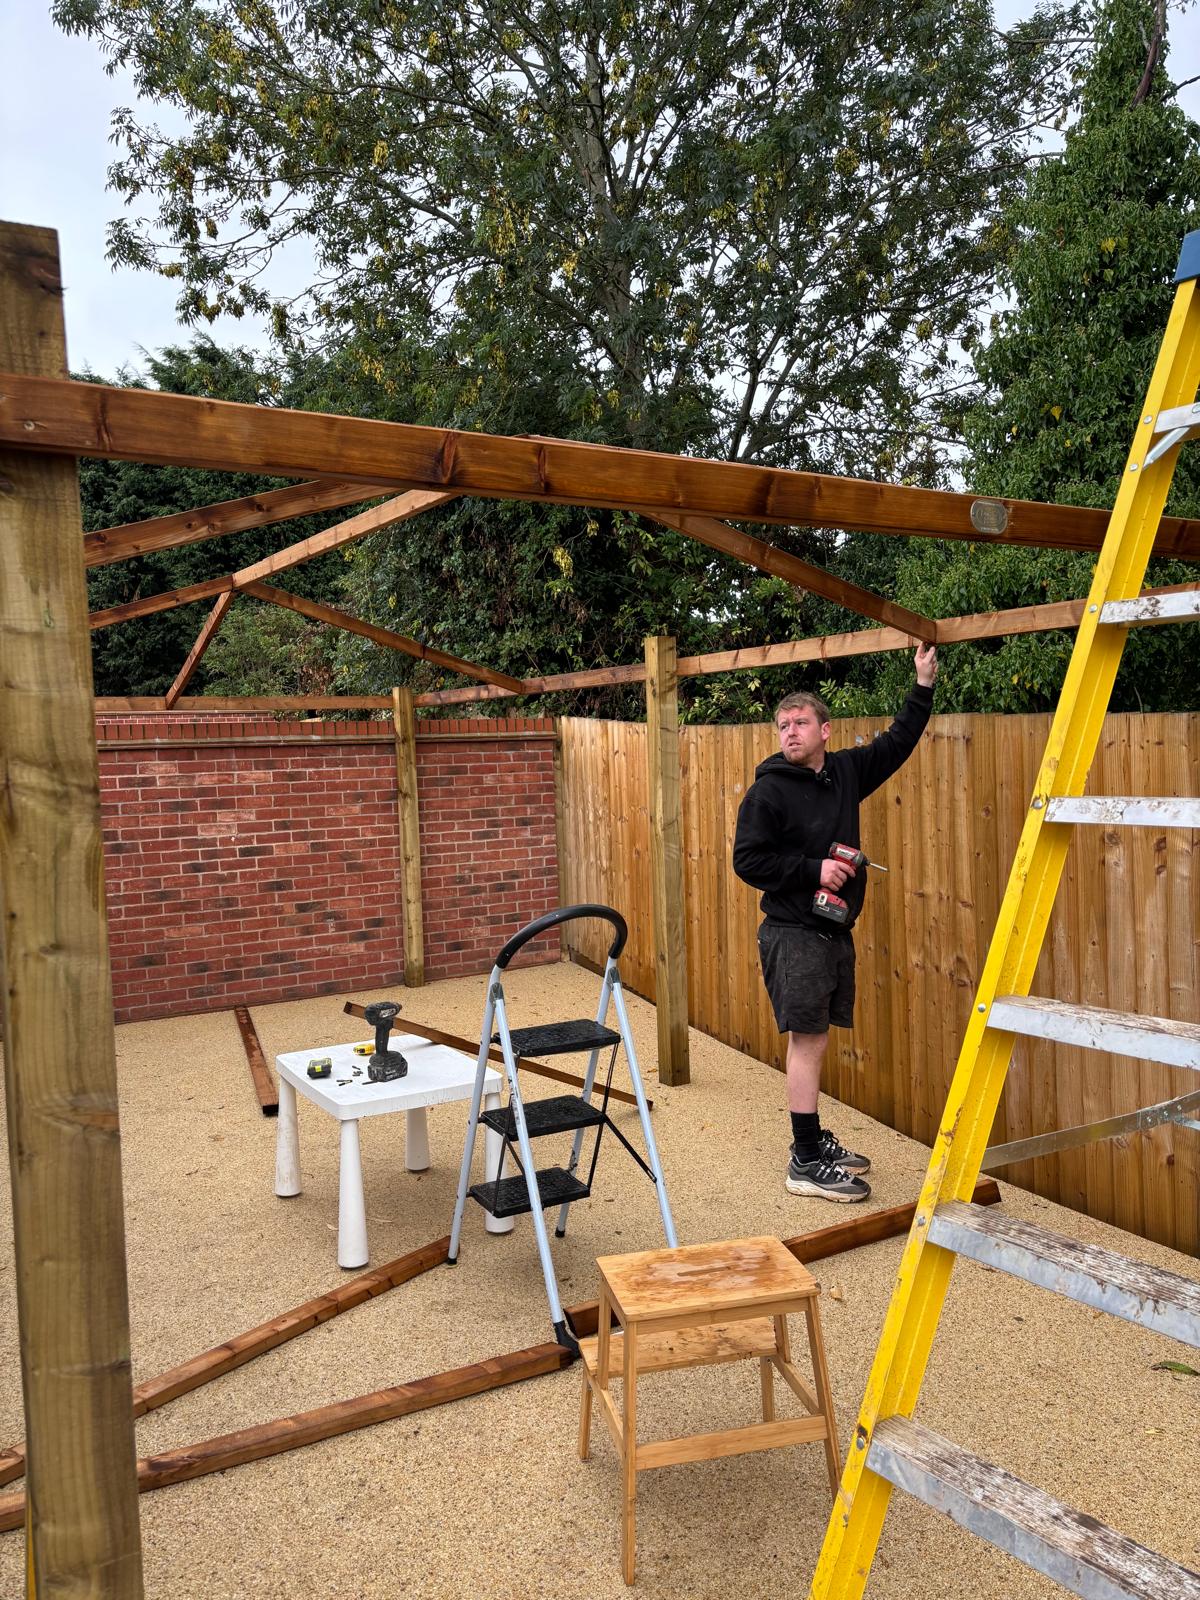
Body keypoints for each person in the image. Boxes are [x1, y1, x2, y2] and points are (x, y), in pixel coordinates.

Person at [732, 644, 938, 1202]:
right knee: (808, 1040)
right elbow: (747, 861)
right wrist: (812, 869)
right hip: (792, 932)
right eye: (782, 726)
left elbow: (897, 743)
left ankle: (813, 1139)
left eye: (800, 723)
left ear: (826, 730)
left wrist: (922, 684)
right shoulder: (768, 791)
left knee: (817, 1040)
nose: (789, 732)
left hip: (832, 931)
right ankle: (803, 1158)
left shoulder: (844, 772)